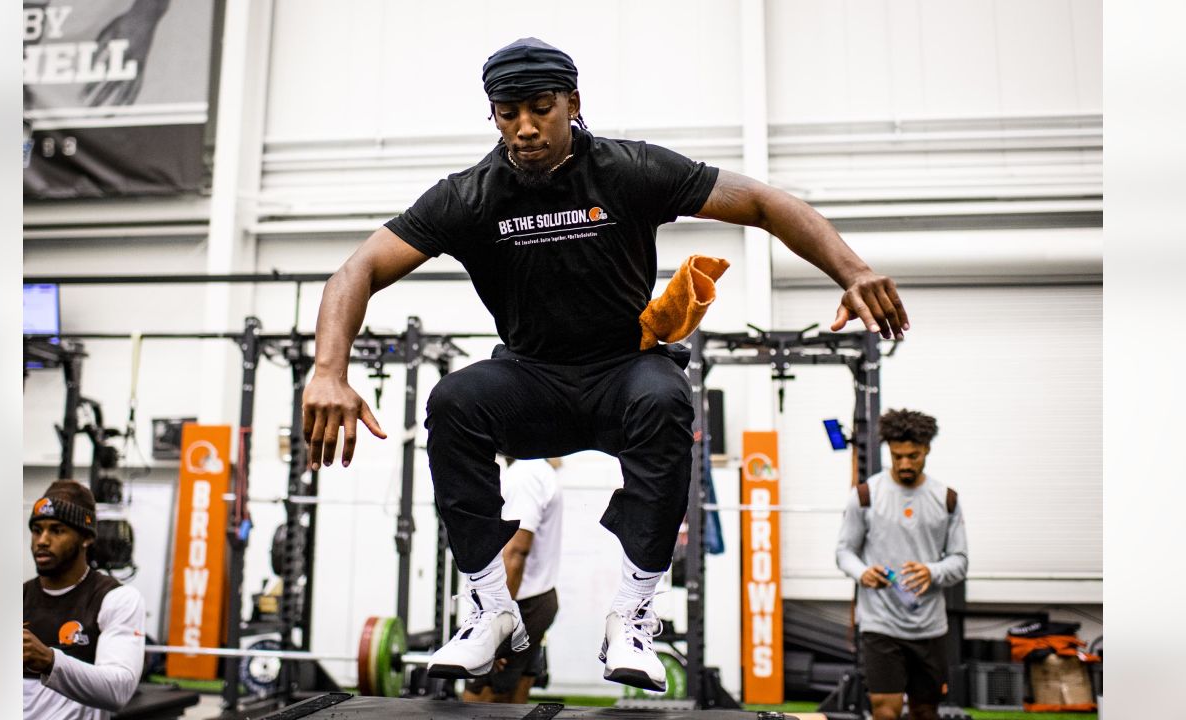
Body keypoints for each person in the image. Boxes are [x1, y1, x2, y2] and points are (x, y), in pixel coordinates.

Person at [303, 37, 909, 692]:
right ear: (493, 115)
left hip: (624, 373)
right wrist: (329, 369)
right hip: (531, 379)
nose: (526, 128)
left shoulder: (630, 171)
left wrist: (852, 270)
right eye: (509, 113)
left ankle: (632, 617)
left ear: (573, 103)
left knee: (668, 397)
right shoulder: (471, 196)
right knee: (454, 402)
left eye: (541, 108)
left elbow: (764, 203)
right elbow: (356, 269)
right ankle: (491, 609)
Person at [835, 409, 968, 720]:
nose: (905, 463)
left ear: (927, 450)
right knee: (885, 709)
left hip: (930, 627)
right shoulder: (866, 496)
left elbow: (960, 561)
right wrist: (863, 573)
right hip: (880, 625)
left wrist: (932, 571)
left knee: (925, 711)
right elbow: (844, 552)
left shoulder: (945, 498)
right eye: (898, 456)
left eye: (914, 456)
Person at [24, 480, 146, 719]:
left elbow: (118, 690)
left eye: (57, 530)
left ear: (86, 538)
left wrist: (49, 661)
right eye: (37, 530)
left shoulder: (116, 599)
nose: (42, 541)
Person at [462, 456, 563, 704]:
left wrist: (497, 630)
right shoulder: (537, 470)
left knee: (478, 701)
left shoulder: (524, 474)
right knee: (515, 699)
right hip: (535, 600)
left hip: (521, 605)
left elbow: (516, 553)